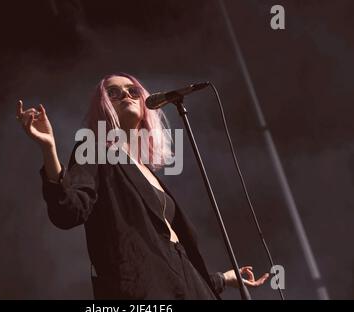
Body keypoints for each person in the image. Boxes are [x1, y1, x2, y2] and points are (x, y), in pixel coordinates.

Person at [16, 72, 269, 299]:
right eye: (113, 93)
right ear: (104, 107)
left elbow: (168, 255)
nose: (125, 94)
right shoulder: (93, 149)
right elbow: (68, 211)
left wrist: (223, 279)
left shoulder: (146, 171)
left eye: (132, 90)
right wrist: (49, 149)